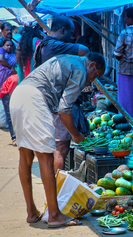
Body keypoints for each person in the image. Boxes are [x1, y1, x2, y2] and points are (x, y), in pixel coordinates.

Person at [9, 52, 105, 227]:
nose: (92, 80)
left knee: (25, 156)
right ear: (91, 66)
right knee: (46, 157)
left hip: (19, 94)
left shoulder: (71, 59)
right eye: (95, 76)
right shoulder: (81, 70)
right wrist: (76, 135)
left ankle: (32, 212)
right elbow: (64, 110)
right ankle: (54, 214)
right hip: (35, 98)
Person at [34, 16, 90, 173]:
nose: (72, 37)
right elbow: (84, 50)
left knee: (52, 147)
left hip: (45, 99)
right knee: (61, 148)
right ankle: (56, 190)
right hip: (55, 102)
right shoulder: (54, 45)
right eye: (71, 33)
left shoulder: (42, 44)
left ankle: (53, 186)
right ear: (62, 30)